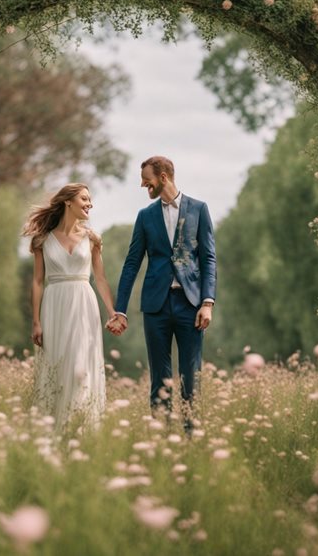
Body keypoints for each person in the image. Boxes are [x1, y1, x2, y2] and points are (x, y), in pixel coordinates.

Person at [109, 156, 216, 432]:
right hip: (155, 306)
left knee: (191, 377)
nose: (144, 185)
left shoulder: (199, 209)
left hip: (190, 304)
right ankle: (162, 437)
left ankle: (192, 436)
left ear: (164, 177)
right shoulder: (145, 216)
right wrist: (119, 309)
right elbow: (132, 263)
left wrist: (207, 302)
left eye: (147, 181)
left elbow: (208, 259)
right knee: (159, 377)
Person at [22, 183, 117, 431]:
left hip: (84, 305)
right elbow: (37, 281)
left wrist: (112, 313)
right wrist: (36, 321)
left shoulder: (92, 238)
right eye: (84, 198)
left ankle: (82, 428)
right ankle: (51, 431)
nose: (90, 204)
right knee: (57, 364)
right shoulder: (42, 240)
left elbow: (101, 279)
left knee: (80, 369)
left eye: (90, 199)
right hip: (54, 305)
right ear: (68, 202)